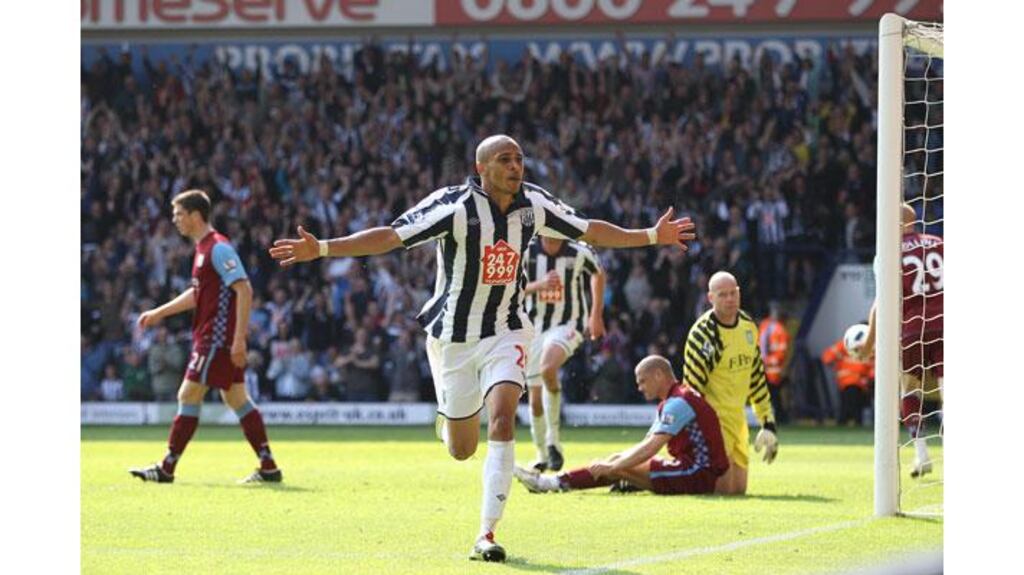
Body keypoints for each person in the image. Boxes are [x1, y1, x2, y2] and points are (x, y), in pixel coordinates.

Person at [268, 134, 695, 562]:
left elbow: (590, 230)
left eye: (520, 159)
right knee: (461, 449)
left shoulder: (534, 204)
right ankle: (451, 418)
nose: (516, 167)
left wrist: (651, 236)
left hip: (506, 329)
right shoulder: (453, 207)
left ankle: (487, 534)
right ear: (482, 168)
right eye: (505, 160)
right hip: (453, 338)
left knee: (504, 418)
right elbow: (392, 237)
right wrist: (322, 248)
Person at [130, 190, 282, 484]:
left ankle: (167, 467)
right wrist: (160, 313)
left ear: (195, 215)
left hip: (216, 338)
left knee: (188, 395)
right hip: (214, 337)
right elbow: (200, 293)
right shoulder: (202, 249)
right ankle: (268, 466)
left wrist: (239, 340)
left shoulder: (218, 248)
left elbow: (244, 289)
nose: (175, 220)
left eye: (179, 214)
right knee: (236, 397)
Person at [511, 355, 728, 495]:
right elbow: (646, 444)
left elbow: (651, 448)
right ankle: (551, 482)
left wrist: (615, 466)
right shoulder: (675, 399)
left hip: (698, 474)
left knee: (620, 466)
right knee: (619, 462)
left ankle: (548, 484)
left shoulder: (678, 402)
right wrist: (615, 462)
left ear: (659, 375)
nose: (640, 388)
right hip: (693, 470)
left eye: (642, 381)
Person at [858, 204, 943, 478]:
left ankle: (922, 455)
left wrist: (869, 343)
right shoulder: (940, 243)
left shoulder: (888, 253)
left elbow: (882, 302)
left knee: (909, 390)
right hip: (946, 324)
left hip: (912, 329)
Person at [681, 271, 778, 495]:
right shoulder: (703, 334)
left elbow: (756, 378)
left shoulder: (747, 326)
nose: (729, 299)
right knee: (722, 492)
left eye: (733, 293)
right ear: (710, 298)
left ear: (739, 293)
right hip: (713, 422)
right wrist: (696, 436)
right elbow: (692, 390)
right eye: (722, 294)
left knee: (738, 492)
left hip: (738, 420)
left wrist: (768, 422)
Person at [521, 236, 606, 471]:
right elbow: (510, 287)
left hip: (568, 324)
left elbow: (598, 273)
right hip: (533, 328)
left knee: (549, 368)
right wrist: (540, 285)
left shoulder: (579, 251)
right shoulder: (527, 250)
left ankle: (553, 442)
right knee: (535, 400)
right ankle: (542, 453)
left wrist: (596, 314)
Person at [821, 335, 874, 426]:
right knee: (851, 402)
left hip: (861, 382)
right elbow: (827, 357)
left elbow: (873, 366)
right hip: (849, 381)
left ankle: (849, 420)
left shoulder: (872, 347)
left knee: (852, 403)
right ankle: (851, 420)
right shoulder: (846, 344)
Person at [758, 302, 791, 423]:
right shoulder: (775, 328)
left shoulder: (766, 326)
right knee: (774, 395)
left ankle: (778, 418)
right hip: (771, 368)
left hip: (769, 368)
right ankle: (777, 418)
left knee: (773, 395)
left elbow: (781, 352)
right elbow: (781, 351)